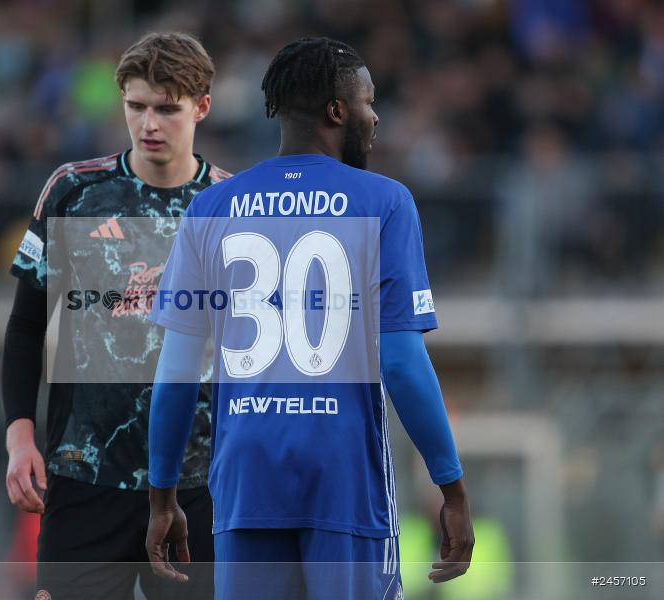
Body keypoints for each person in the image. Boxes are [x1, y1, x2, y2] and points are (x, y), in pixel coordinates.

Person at [145, 37, 474, 600]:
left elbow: (176, 372)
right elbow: (400, 360)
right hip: (343, 472)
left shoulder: (211, 207)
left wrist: (162, 495)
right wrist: (453, 487)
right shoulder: (385, 202)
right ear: (337, 110)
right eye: (368, 102)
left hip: (246, 476)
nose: (375, 117)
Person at [2, 32, 230, 600]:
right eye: (137, 107)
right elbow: (27, 324)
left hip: (198, 484)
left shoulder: (232, 208)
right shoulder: (74, 191)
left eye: (166, 108)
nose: (149, 123)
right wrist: (19, 436)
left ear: (201, 106)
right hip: (84, 474)